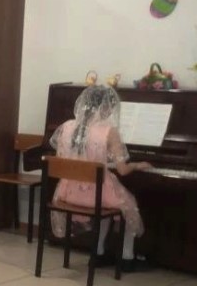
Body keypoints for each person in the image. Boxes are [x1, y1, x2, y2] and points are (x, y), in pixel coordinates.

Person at [50, 85, 151, 271]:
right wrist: (138, 165)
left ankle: (97, 253)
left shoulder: (66, 126)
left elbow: (61, 161)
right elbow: (122, 170)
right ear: (104, 107)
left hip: (67, 193)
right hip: (94, 195)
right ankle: (127, 257)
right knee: (129, 205)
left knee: (105, 203)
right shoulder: (109, 131)